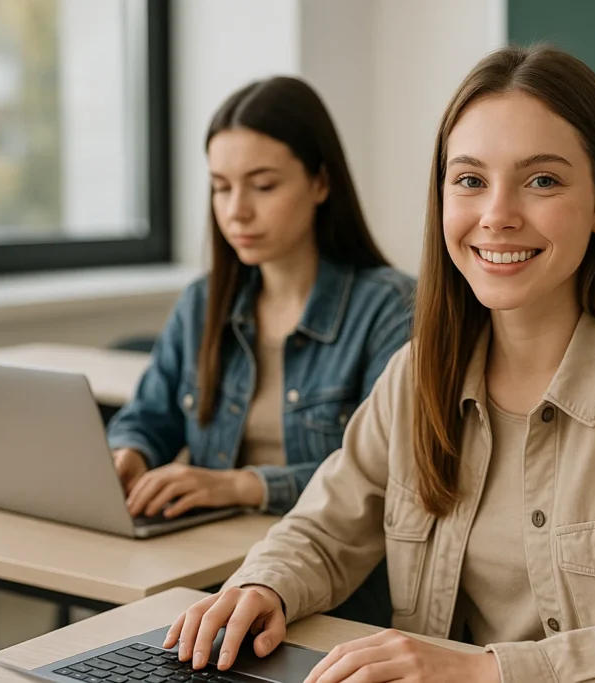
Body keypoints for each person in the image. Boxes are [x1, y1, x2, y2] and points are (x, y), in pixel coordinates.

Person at [165, 45, 595, 682]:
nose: (497, 216)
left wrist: (487, 673)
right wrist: (263, 586)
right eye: (471, 180)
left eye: (542, 180)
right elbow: (324, 528)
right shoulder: (417, 374)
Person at [105, 76, 415, 626]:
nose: (237, 211)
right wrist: (131, 453)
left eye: (263, 186)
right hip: (210, 573)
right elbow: (149, 416)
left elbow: (383, 478)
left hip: (334, 592)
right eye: (221, 187)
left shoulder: (391, 309)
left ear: (321, 182)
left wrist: (239, 486)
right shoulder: (204, 303)